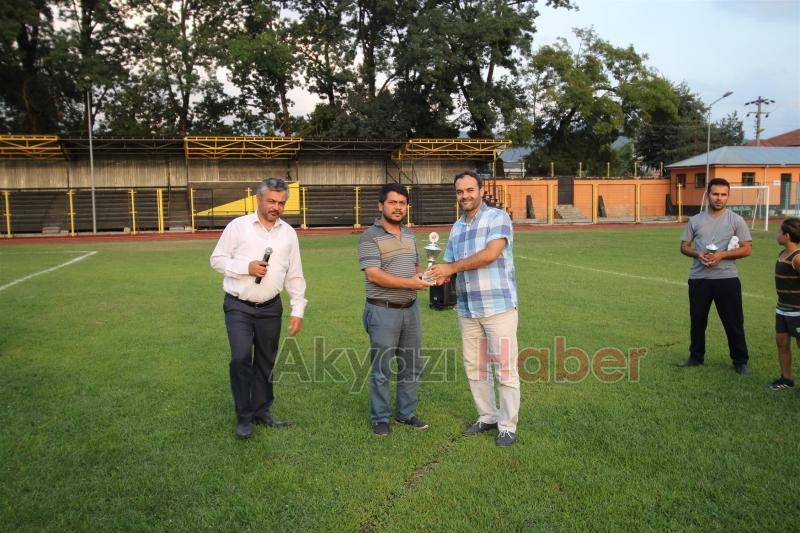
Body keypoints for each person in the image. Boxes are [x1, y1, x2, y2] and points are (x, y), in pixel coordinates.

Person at [427, 171, 520, 447]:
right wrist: (432, 276)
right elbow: (449, 268)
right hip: (467, 309)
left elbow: (491, 254)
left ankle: (507, 425)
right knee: (475, 368)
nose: (465, 196)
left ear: (481, 190)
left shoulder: (498, 218)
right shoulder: (456, 227)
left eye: (470, 190)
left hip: (497, 307)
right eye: (459, 192)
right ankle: (487, 416)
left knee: (504, 368)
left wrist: (451, 268)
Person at [210, 178, 306, 439]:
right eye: (272, 201)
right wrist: (246, 267)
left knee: (266, 361)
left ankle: (262, 411)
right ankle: (244, 417)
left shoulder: (288, 233)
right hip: (238, 306)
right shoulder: (238, 227)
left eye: (281, 203)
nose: (276, 207)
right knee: (241, 357)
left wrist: (298, 309)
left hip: (271, 308)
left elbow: (294, 274)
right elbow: (216, 260)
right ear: (259, 200)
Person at [359, 183, 431, 436]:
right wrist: (411, 283)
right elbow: (374, 275)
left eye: (402, 203)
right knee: (382, 368)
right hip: (382, 311)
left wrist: (427, 277)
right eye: (393, 202)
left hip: (410, 310)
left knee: (412, 364)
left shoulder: (409, 235)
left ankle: (405, 413)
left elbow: (415, 268)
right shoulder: (370, 236)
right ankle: (380, 417)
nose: (398, 207)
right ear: (381, 205)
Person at [677, 177, 752, 374]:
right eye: (715, 194)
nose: (719, 198)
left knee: (733, 321)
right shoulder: (695, 220)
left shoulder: (736, 220)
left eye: (723, 194)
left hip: (726, 279)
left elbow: (746, 249)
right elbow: (684, 246)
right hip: (699, 279)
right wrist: (697, 253)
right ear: (707, 194)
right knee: (698, 320)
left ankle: (740, 361)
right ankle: (695, 357)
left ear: (728, 196)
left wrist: (723, 255)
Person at [769, 217, 800, 390]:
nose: (777, 234)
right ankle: (786, 379)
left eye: (780, 232)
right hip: (782, 310)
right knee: (782, 342)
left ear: (787, 236)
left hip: (797, 312)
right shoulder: (783, 254)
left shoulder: (797, 257)